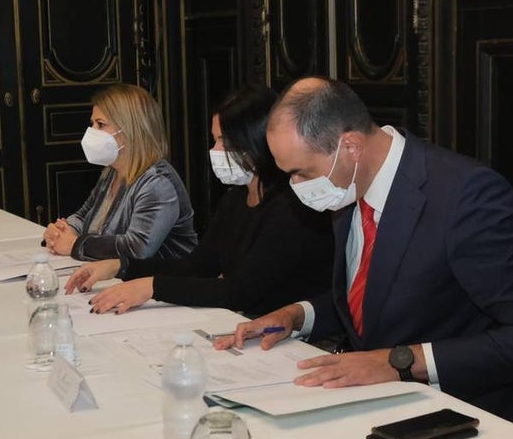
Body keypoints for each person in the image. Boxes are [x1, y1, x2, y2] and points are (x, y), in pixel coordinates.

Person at [219, 77, 513, 426]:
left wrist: (398, 361)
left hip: (460, 412)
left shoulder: (464, 196)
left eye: (302, 173)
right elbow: (380, 296)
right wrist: (297, 316)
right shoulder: (347, 186)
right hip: (376, 403)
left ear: (351, 147)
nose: (296, 188)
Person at [66, 86, 333, 317]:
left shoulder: (291, 206)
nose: (215, 151)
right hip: (244, 324)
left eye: (224, 141)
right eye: (215, 139)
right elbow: (198, 266)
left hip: (292, 337)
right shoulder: (236, 198)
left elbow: (240, 291)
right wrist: (120, 266)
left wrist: (151, 287)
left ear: (255, 141)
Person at [43, 84, 196, 261]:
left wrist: (74, 244)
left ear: (130, 129)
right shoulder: (111, 172)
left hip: (162, 283)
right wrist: (62, 230)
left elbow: (138, 247)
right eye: (92, 123)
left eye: (100, 124)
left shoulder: (157, 183)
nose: (92, 131)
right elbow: (84, 216)